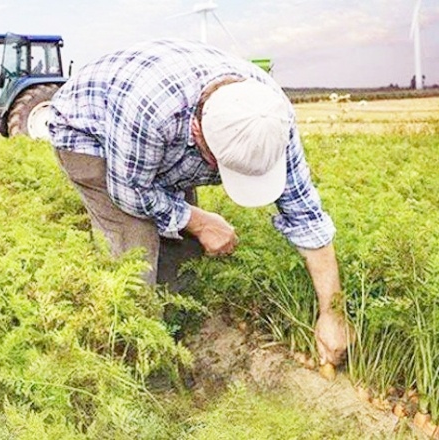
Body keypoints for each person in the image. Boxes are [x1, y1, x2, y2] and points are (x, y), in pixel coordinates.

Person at [48, 39, 347, 367]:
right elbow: (130, 193)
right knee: (136, 256)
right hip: (91, 134)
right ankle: (136, 362)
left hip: (157, 140)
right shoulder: (151, 111)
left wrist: (332, 313)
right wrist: (200, 220)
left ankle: (177, 336)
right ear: (198, 132)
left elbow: (306, 216)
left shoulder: (269, 117)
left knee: (183, 246)